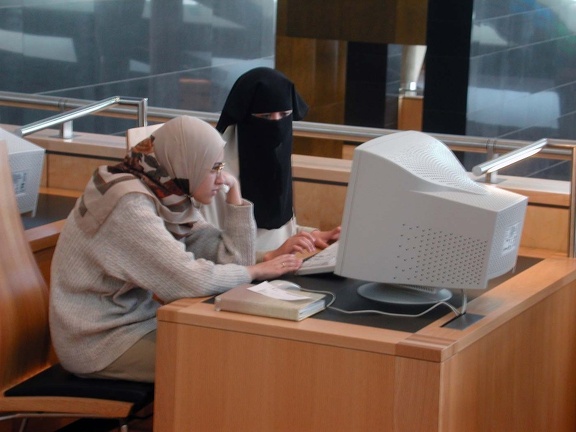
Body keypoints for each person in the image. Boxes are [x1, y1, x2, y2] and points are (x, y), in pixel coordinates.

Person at [49, 115, 302, 383]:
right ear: (186, 161)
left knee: (239, 344)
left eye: (221, 167)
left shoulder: (168, 194)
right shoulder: (128, 204)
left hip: (136, 324)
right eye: (213, 168)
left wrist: (235, 194)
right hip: (98, 342)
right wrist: (254, 271)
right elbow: (189, 280)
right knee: (231, 361)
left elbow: (230, 258)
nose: (221, 178)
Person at [202, 67, 341, 262]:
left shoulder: (277, 162)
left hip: (281, 273)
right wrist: (269, 257)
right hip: (237, 284)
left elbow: (279, 232)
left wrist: (312, 235)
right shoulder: (216, 175)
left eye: (284, 115)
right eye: (266, 117)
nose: (276, 125)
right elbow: (207, 253)